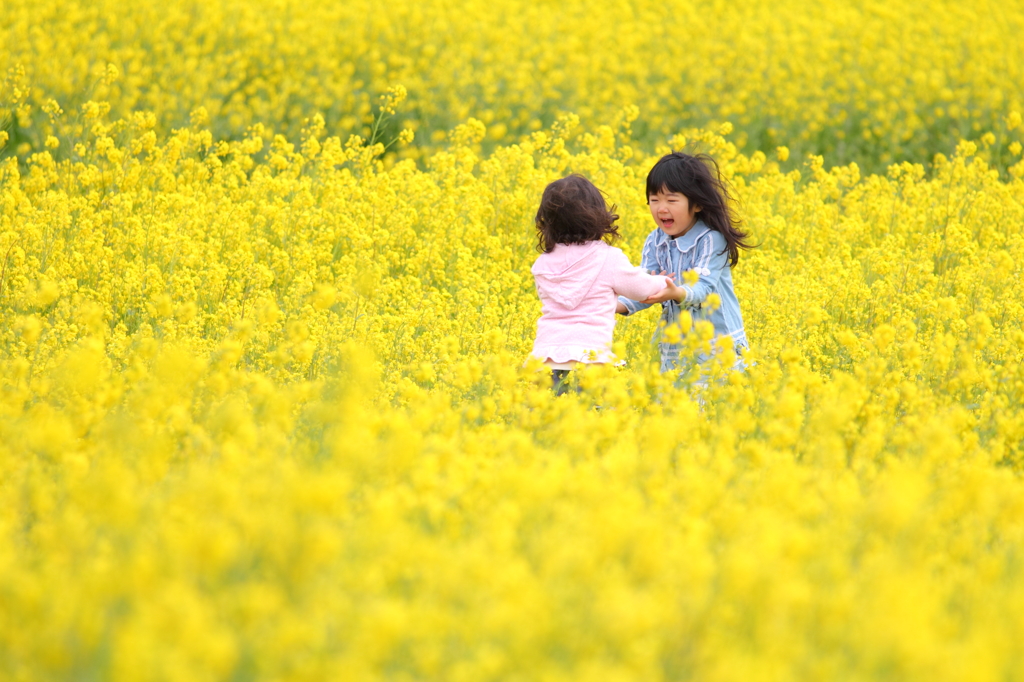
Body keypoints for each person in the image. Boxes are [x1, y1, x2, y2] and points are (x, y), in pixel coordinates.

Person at [531, 175, 672, 395]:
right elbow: (642, 288)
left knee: (550, 423)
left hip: (545, 361)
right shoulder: (607, 258)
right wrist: (663, 280)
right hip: (591, 361)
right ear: (597, 216)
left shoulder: (543, 264)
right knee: (593, 421)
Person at [615, 152, 752, 379]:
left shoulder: (711, 239)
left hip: (715, 348)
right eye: (654, 199)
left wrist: (674, 292)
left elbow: (702, 288)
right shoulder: (655, 240)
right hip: (676, 348)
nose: (661, 208)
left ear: (696, 204)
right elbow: (643, 285)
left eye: (671, 200)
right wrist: (608, 306)